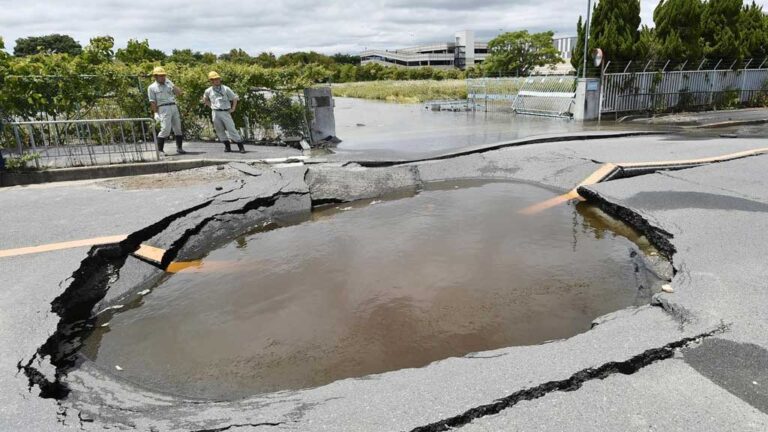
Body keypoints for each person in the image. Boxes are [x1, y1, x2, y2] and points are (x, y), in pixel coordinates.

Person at [202, 71, 245, 153]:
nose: (217, 80)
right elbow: (205, 99)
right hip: (215, 112)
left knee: (231, 129)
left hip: (225, 111)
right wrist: (211, 106)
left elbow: (235, 98)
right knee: (219, 130)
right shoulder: (208, 90)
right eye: (215, 79)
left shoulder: (226, 88)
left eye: (218, 79)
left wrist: (233, 108)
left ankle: (241, 146)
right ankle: (227, 146)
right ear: (211, 81)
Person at [147, 66, 186, 155]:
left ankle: (179, 148)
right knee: (165, 129)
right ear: (155, 77)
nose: (163, 77)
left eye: (164, 75)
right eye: (160, 76)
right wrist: (156, 113)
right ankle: (160, 150)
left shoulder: (169, 84)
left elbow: (179, 93)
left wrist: (172, 84)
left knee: (178, 128)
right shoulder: (152, 87)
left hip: (173, 106)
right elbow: (152, 101)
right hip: (163, 108)